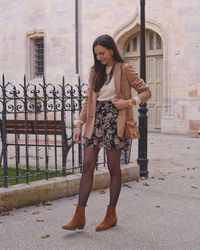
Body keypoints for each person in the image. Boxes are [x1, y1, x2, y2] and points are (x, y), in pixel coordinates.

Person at [62, 34, 151, 232]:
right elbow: (88, 100)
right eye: (96, 54)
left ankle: (111, 214)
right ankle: (79, 215)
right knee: (87, 165)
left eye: (102, 53)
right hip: (95, 121)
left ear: (111, 50)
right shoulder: (95, 71)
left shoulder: (124, 69)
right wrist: (78, 124)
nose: (99, 57)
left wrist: (129, 102)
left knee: (113, 168)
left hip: (115, 120)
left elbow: (146, 92)